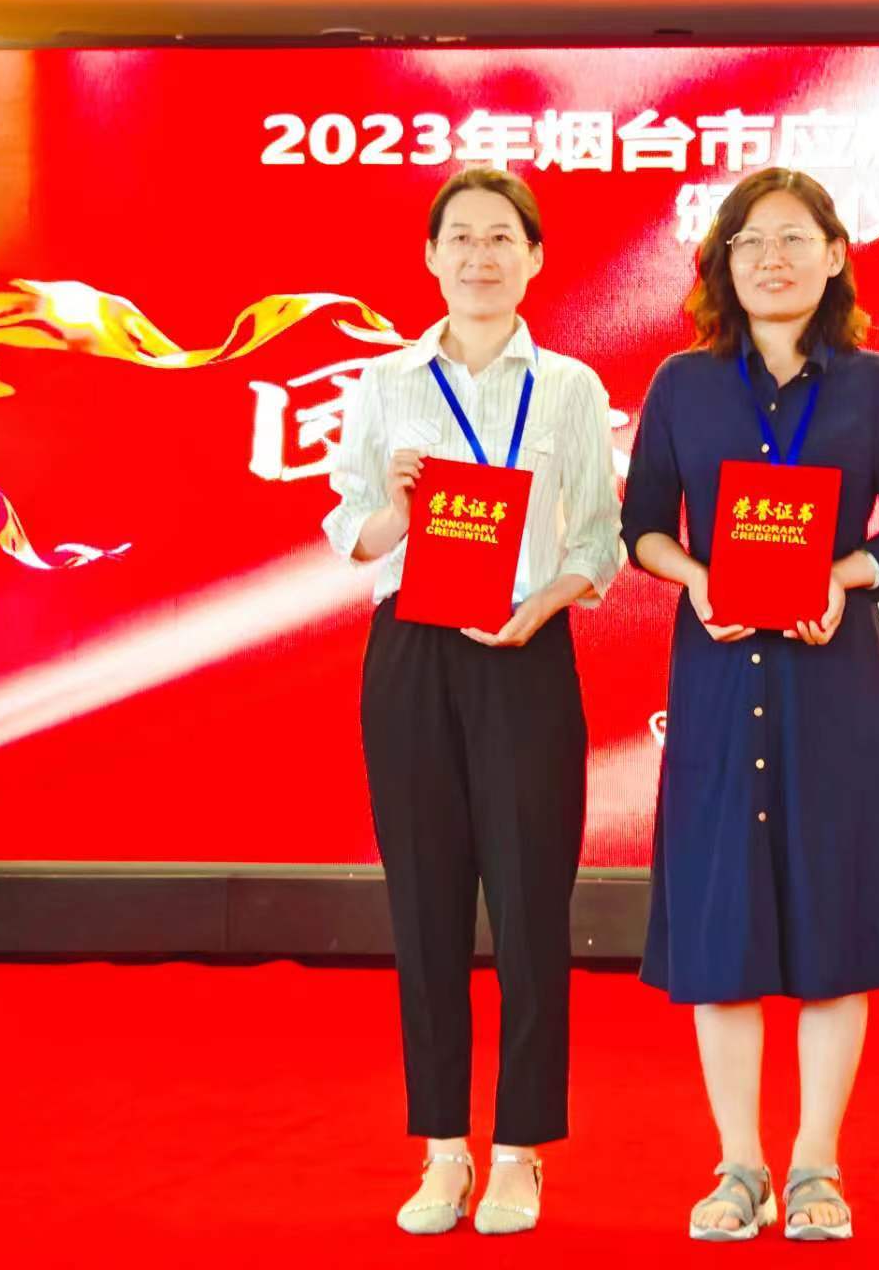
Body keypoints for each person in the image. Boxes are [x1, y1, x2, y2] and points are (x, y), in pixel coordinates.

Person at [621, 166, 879, 1243]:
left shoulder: (874, 384)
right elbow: (641, 526)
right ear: (723, 260)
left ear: (835, 255)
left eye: (796, 238)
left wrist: (845, 576)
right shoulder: (682, 384)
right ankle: (738, 1165)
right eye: (751, 240)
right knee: (723, 927)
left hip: (829, 677)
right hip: (719, 680)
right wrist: (699, 579)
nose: (773, 258)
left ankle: (814, 1166)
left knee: (833, 920)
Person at [321, 166, 622, 1236]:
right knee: (426, 906)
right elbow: (349, 531)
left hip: (525, 650)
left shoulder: (571, 387)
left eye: (502, 237)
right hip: (413, 651)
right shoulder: (385, 382)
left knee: (533, 907)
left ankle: (519, 1150)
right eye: (461, 237)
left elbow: (600, 540)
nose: (480, 256)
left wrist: (545, 603)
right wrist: (398, 512)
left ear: (534, 258)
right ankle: (442, 1148)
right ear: (430, 256)